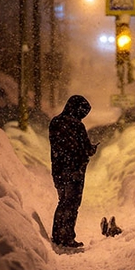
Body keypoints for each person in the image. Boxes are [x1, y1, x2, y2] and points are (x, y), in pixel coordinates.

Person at [49, 95, 98, 248]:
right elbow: (86, 148)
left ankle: (57, 235)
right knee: (72, 204)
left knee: (63, 201)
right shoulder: (77, 126)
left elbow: (58, 145)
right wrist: (92, 149)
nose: (83, 116)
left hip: (58, 169)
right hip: (75, 170)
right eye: (83, 112)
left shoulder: (55, 122)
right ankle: (68, 237)